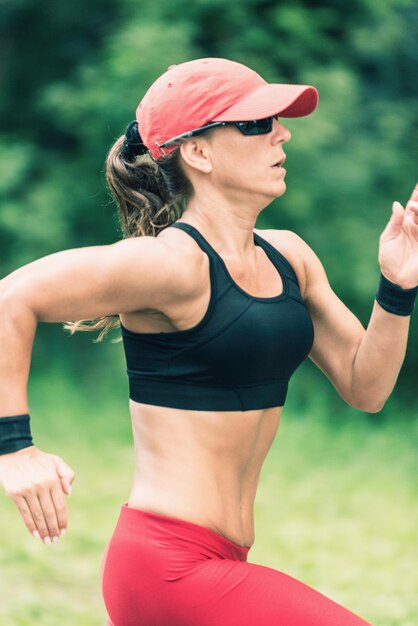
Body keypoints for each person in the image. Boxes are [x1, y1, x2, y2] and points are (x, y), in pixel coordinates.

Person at [0, 57, 417, 626]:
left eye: (277, 121)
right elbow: (11, 299)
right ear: (198, 153)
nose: (282, 133)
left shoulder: (289, 255)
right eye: (255, 124)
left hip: (223, 557)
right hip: (168, 565)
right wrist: (15, 447)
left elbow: (365, 387)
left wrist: (397, 285)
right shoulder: (170, 265)